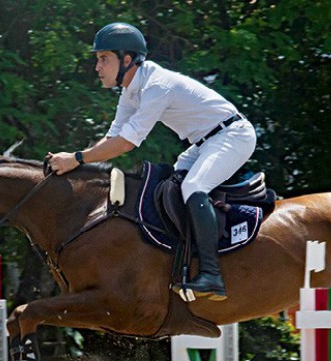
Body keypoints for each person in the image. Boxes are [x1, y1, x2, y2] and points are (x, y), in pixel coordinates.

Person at [47, 22, 256, 301]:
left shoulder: (157, 86)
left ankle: (212, 275)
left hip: (233, 136)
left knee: (193, 187)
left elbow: (127, 144)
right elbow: (111, 139)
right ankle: (182, 263)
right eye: (98, 59)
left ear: (127, 59)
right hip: (204, 143)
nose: (97, 67)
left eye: (103, 59)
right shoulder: (130, 91)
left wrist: (76, 159)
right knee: (171, 189)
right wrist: (78, 163)